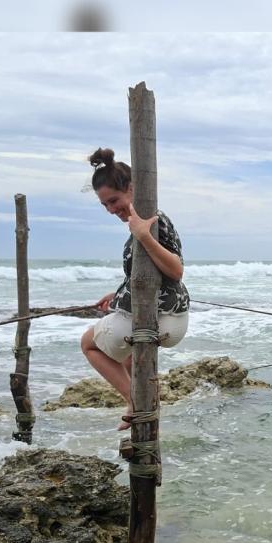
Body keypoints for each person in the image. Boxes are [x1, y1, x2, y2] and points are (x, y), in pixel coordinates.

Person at [80, 148, 190, 430]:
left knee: (88, 344)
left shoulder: (150, 221)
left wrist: (143, 235)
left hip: (154, 319)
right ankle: (142, 399)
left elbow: (175, 270)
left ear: (131, 188)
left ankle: (136, 400)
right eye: (105, 205)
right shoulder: (146, 218)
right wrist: (117, 295)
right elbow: (148, 275)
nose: (111, 209)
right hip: (173, 319)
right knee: (128, 355)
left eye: (114, 200)